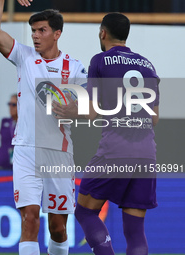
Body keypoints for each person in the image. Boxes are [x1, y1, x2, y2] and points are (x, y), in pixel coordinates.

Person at [0, 1, 87, 254]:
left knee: (58, 228)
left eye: (41, 30)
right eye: (33, 31)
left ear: (57, 34)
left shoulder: (74, 67)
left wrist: (72, 109)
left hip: (58, 152)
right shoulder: (24, 56)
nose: (35, 36)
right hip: (25, 150)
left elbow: (86, 106)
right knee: (29, 218)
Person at [54, 13, 160, 254]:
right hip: (146, 155)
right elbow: (153, 118)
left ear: (103, 33)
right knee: (135, 231)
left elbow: (91, 112)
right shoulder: (148, 66)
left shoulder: (100, 61)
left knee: (84, 211)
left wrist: (70, 109)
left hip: (115, 150)